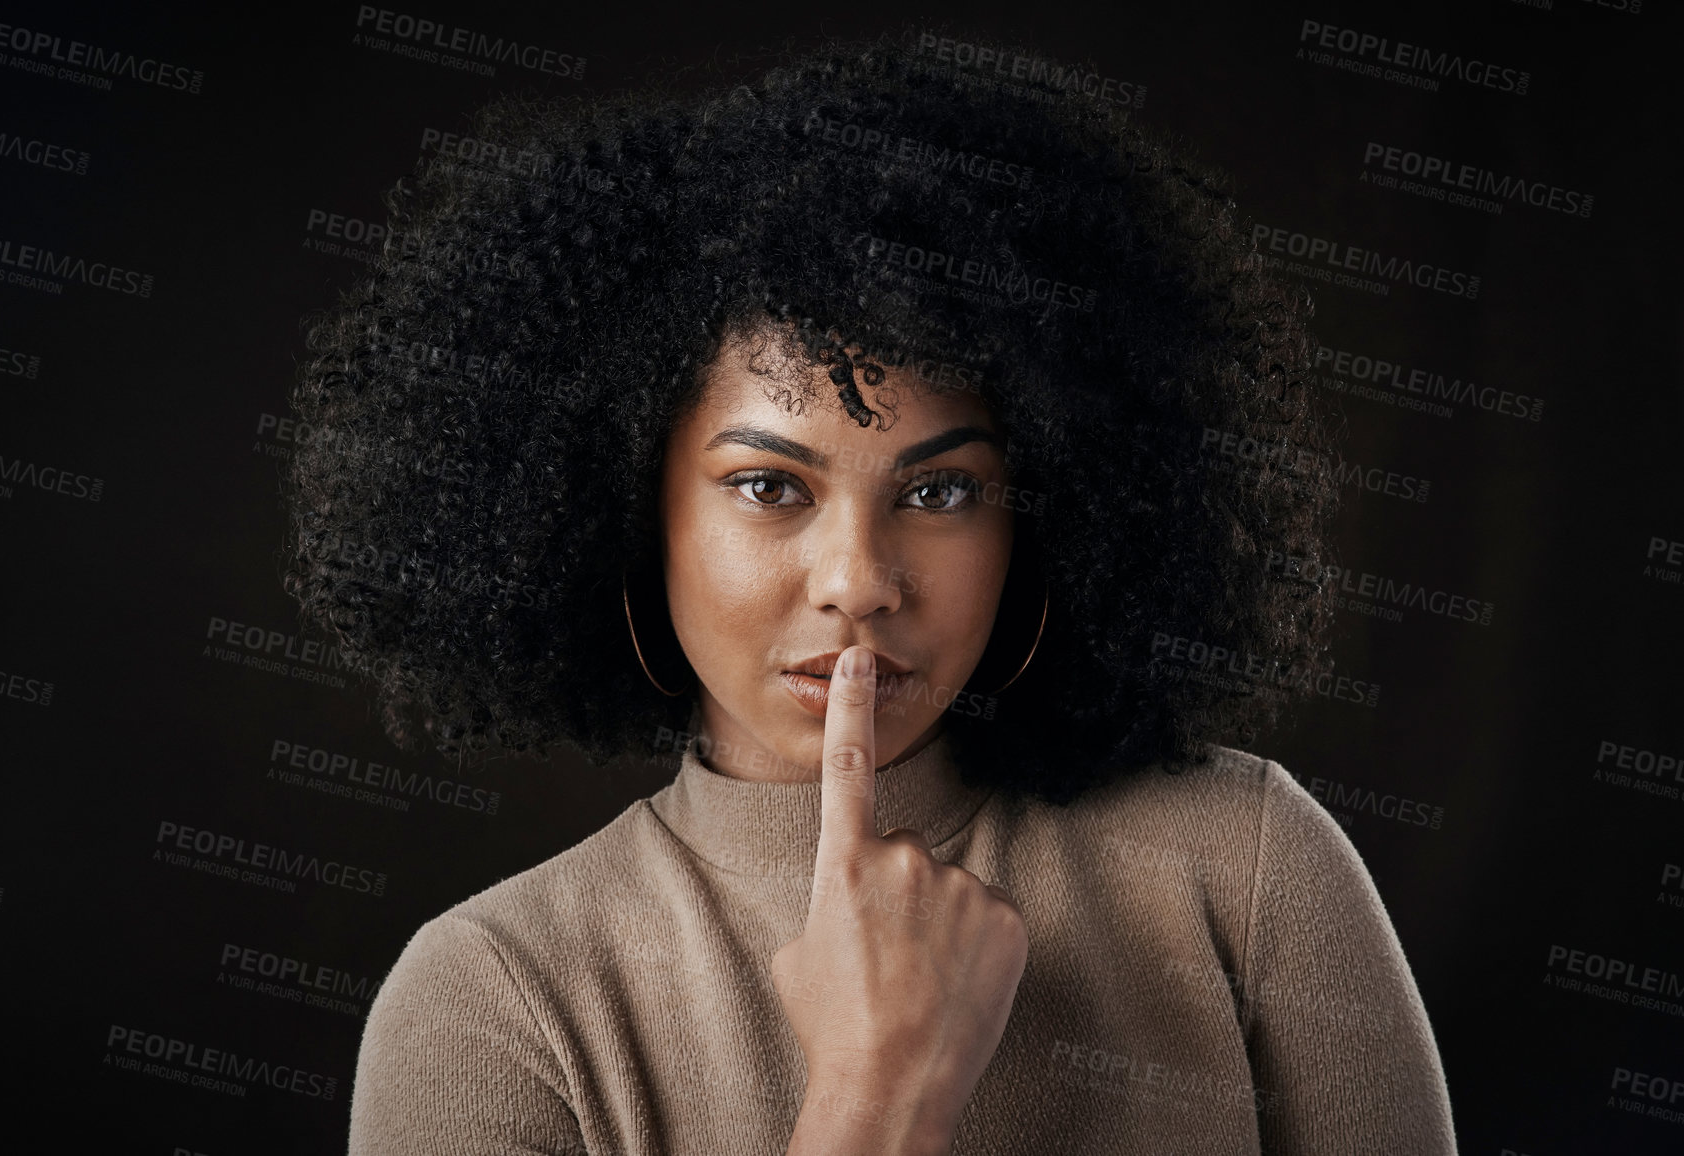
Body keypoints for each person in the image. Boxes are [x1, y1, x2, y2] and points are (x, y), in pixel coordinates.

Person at [283, 24, 1458, 1155]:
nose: (858, 582)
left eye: (941, 492)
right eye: (767, 487)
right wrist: (879, 1092)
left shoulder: (1242, 866)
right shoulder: (496, 999)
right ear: (631, 507)